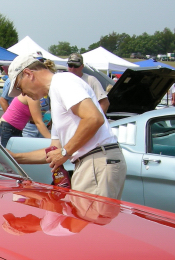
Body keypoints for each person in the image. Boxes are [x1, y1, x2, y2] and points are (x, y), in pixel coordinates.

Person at [7, 53, 125, 199]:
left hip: (95, 160)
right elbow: (54, 150)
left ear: (28, 74)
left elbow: (94, 118)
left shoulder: (62, 82)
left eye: (20, 87)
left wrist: (65, 152)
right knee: (84, 218)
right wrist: (13, 158)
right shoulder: (57, 92)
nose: (23, 93)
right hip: (93, 160)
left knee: (87, 219)